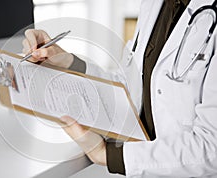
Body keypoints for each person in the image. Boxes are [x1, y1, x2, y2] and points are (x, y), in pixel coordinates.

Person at [22, 0, 217, 177]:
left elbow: (211, 147)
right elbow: (131, 86)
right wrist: (68, 62)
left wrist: (108, 156)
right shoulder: (154, 4)